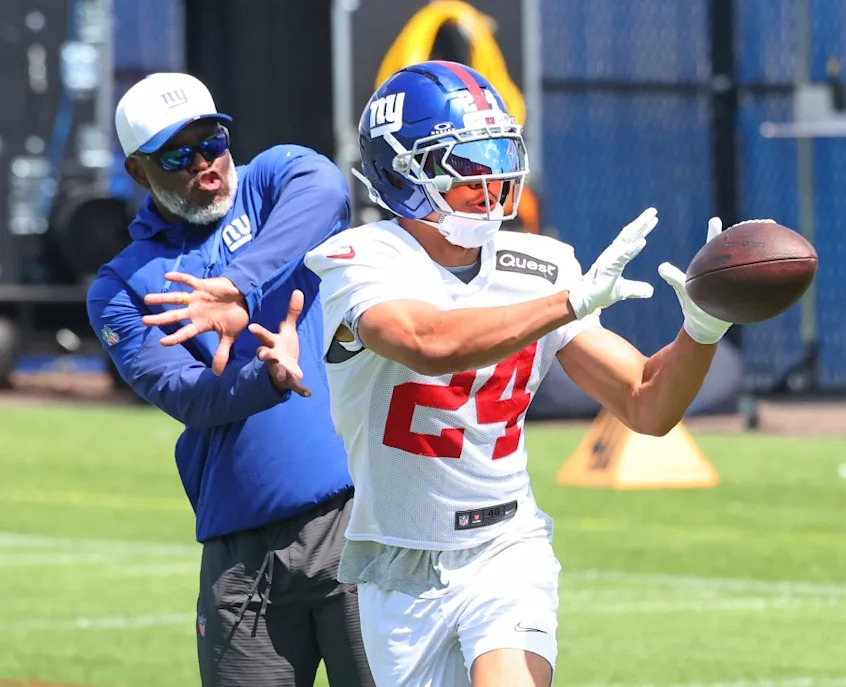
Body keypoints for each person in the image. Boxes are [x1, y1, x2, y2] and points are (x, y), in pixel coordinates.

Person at [147, 61, 736, 687]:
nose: (492, 181)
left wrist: (702, 329)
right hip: (398, 567)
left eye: (497, 156)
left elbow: (647, 403)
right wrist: (568, 304)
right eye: (468, 162)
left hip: (507, 546)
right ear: (405, 171)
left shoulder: (541, 265)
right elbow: (424, 341)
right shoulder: (360, 256)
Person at [86, 72, 373, 687]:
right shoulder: (119, 285)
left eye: (211, 141)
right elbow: (186, 394)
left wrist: (242, 282)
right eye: (177, 154)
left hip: (360, 525)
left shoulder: (272, 179)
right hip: (241, 559)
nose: (205, 164)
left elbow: (327, 191)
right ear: (139, 173)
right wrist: (264, 377)